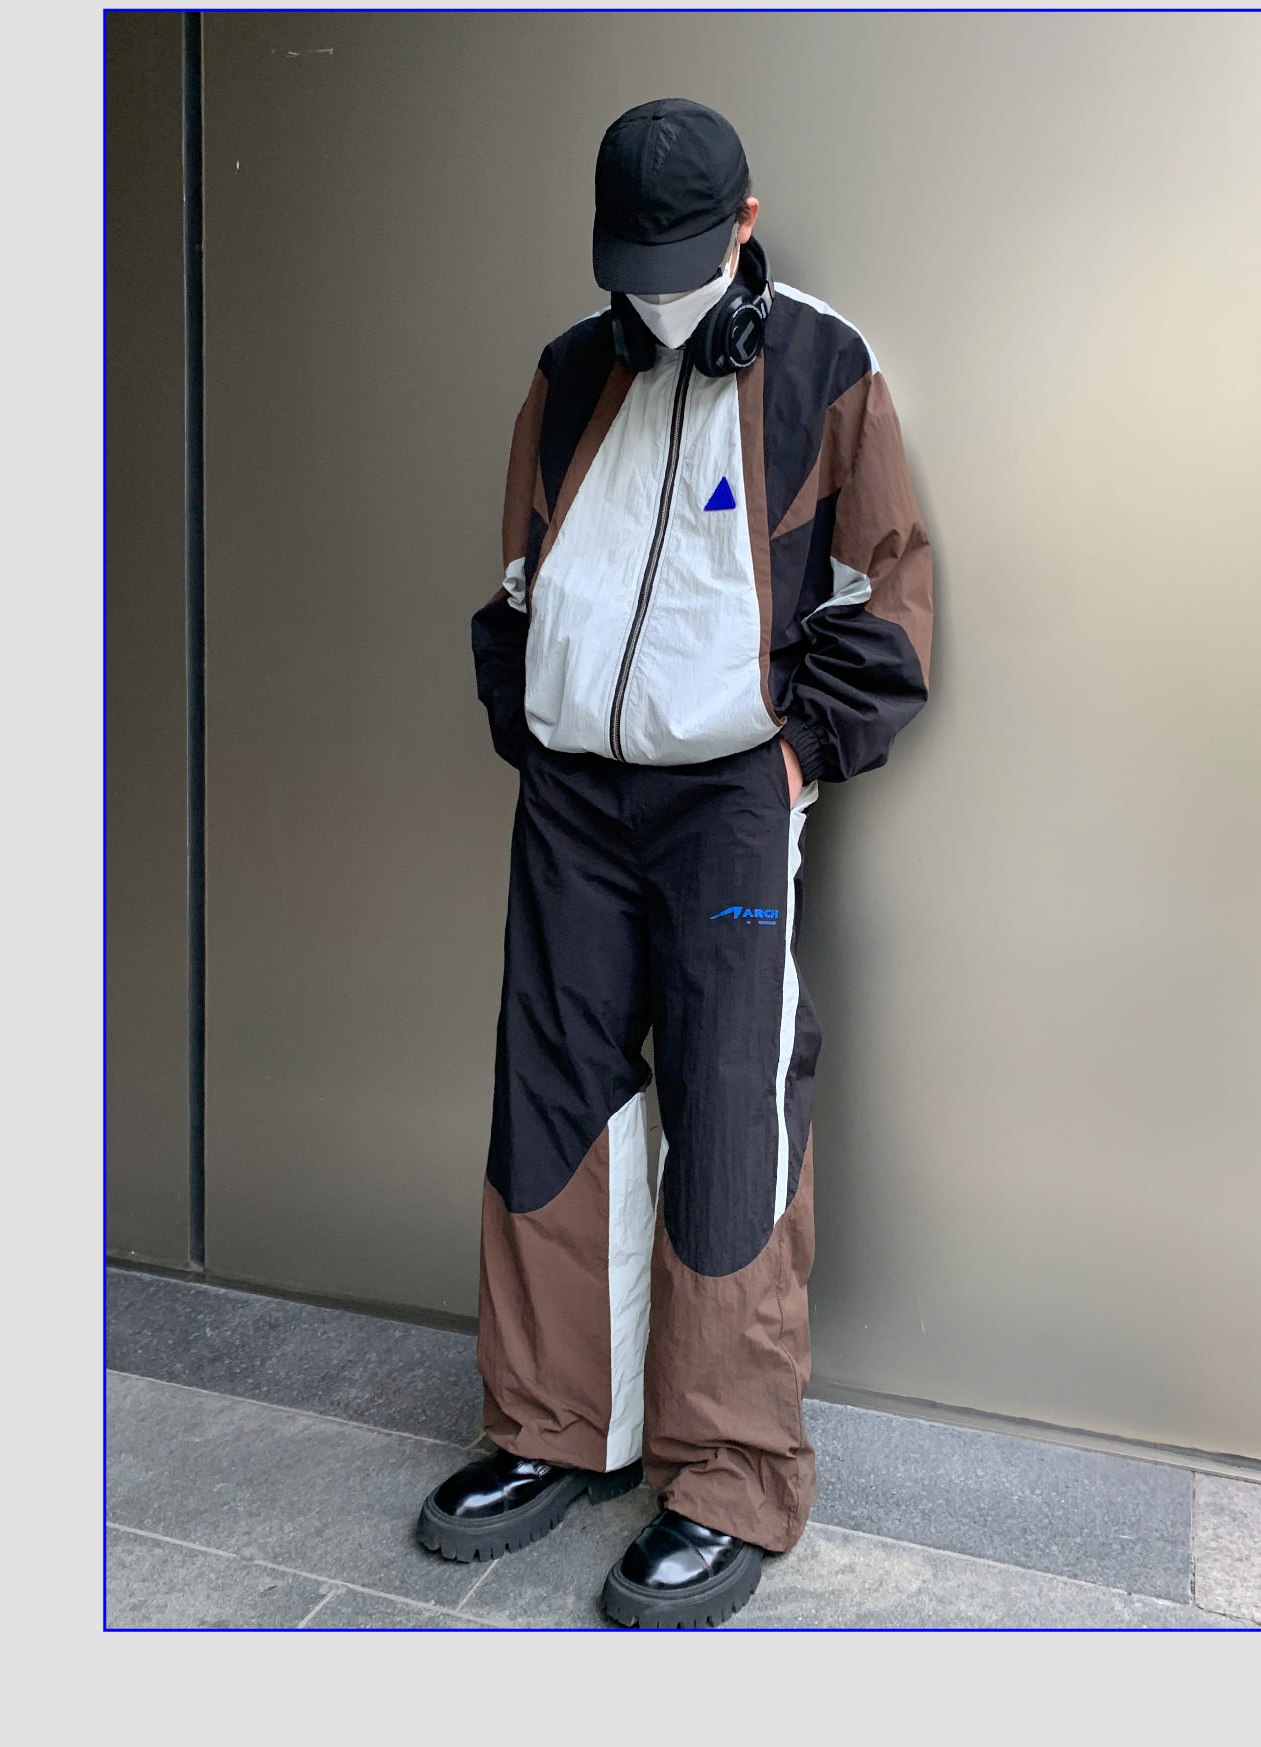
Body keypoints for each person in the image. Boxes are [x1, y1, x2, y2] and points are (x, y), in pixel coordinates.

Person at [417, 98, 933, 1628]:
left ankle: (726, 1473)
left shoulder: (825, 370)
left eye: (682, 261)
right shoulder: (571, 370)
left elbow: (889, 595)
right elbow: (521, 575)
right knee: (551, 1088)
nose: (653, 294)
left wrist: (791, 758)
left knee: (727, 1103)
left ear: (744, 226)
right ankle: (552, 1425)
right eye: (630, 266)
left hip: (727, 800)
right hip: (575, 796)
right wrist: (534, 721)